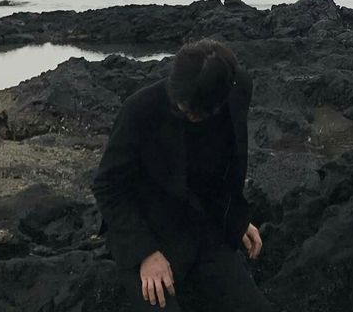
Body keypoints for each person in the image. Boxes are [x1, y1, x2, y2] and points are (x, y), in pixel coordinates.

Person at [92, 39, 273, 311]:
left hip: (203, 226)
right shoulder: (140, 110)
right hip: (149, 228)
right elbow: (108, 186)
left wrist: (235, 218)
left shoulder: (238, 90)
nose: (183, 112)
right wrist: (145, 254)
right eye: (180, 106)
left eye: (190, 112)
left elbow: (223, 166)